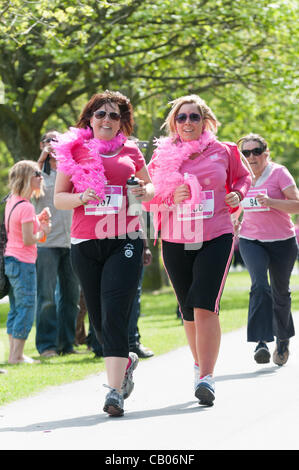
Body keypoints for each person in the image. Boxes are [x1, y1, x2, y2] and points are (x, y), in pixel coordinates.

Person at [144, 94, 251, 406]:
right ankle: (198, 364)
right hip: (176, 238)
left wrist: (237, 194)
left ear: (205, 121)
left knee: (205, 303)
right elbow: (148, 195)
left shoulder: (225, 150)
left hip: (216, 234)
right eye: (181, 117)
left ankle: (206, 376)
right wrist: (168, 197)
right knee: (187, 308)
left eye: (194, 117)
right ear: (174, 123)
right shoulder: (162, 156)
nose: (187, 122)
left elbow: (244, 178)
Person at [53, 90, 154, 417]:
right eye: (101, 114)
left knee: (114, 311)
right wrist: (83, 197)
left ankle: (113, 393)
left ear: (122, 121)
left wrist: (142, 190)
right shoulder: (74, 149)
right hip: (85, 242)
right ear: (90, 118)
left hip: (125, 237)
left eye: (114, 115)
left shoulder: (132, 151)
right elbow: (59, 199)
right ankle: (124, 365)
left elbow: (150, 190)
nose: (107, 120)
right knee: (98, 317)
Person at [237, 133, 299, 366]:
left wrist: (272, 202)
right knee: (260, 286)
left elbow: (297, 205)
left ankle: (282, 339)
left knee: (281, 293)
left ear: (266, 153)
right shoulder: (240, 177)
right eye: (245, 153)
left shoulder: (279, 173)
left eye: (255, 152)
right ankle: (261, 341)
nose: (251, 157)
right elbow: (233, 203)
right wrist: (233, 218)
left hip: (282, 241)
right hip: (251, 240)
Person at [33, 131, 80, 357]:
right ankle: (46, 346)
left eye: (57, 140)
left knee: (71, 297)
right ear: (42, 145)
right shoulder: (37, 174)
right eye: (48, 141)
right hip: (46, 244)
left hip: (71, 242)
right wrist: (41, 160)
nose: (53, 144)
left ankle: (66, 344)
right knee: (46, 297)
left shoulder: (69, 170)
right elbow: (25, 190)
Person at [4, 160, 51, 364]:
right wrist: (44, 231)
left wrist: (36, 219)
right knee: (26, 307)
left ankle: (14, 354)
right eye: (37, 174)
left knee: (16, 307)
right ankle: (17, 356)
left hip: (11, 260)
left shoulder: (12, 200)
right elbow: (28, 239)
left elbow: (19, 229)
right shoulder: (25, 207)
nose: (41, 177)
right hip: (23, 262)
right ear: (26, 178)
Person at [128, 240, 154, 358]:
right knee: (133, 294)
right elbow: (138, 221)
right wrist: (145, 246)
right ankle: (132, 343)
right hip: (128, 244)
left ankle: (99, 344)